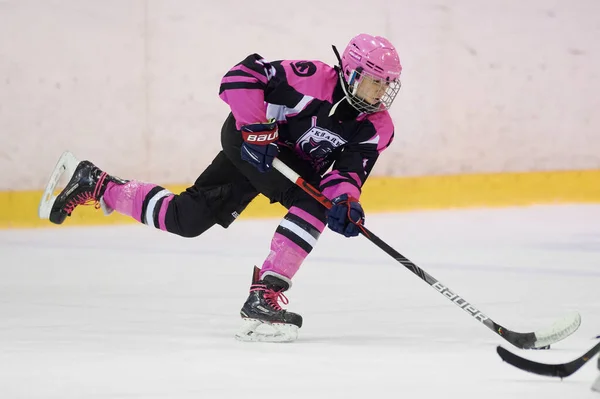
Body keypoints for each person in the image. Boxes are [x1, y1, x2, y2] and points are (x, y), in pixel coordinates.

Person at [40, 33, 403, 342]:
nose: (382, 91)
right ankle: (264, 296)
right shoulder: (309, 79)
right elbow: (242, 75)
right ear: (352, 72)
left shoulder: (377, 127)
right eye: (376, 80)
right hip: (248, 143)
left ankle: (96, 183)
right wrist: (255, 128)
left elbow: (348, 172)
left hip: (283, 162)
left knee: (186, 219)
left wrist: (345, 201)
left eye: (388, 83)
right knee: (313, 203)